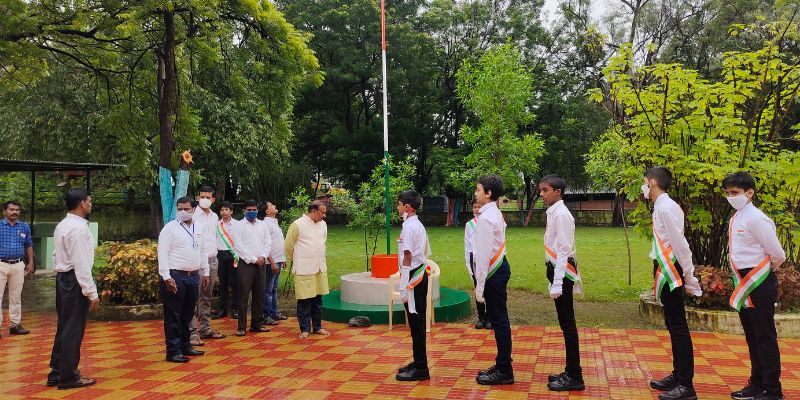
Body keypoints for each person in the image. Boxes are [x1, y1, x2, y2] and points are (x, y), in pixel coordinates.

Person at [722, 172, 785, 400]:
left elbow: (777, 254)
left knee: (764, 338)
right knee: (752, 336)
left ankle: (772, 390)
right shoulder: (736, 217)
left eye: (735, 192)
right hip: (743, 281)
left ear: (749, 193)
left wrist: (762, 272)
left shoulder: (757, 218)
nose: (731, 197)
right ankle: (757, 384)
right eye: (727, 193)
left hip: (759, 280)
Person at [642, 167, 702, 400]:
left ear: (653, 182)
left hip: (672, 268)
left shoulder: (666, 207)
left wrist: (689, 276)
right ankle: (678, 375)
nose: (644, 187)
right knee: (672, 323)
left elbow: (680, 244)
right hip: (665, 267)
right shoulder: (661, 206)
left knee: (678, 326)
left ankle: (686, 385)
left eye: (645, 182)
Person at [47, 189, 99, 389]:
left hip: (64, 278)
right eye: (89, 201)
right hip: (74, 280)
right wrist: (91, 293)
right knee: (73, 329)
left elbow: (55, 255)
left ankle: (57, 371)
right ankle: (68, 377)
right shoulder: (78, 229)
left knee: (65, 326)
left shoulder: (63, 224)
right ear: (81, 203)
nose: (91, 204)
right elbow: (81, 263)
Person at [539, 175, 585, 392]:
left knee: (568, 323)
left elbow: (564, 250)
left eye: (545, 190)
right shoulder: (554, 212)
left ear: (558, 192)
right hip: (557, 270)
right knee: (565, 322)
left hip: (563, 272)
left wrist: (557, 282)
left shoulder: (562, 215)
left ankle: (575, 376)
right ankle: (570, 370)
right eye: (541, 190)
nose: (541, 194)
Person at [157, 196, 210, 363]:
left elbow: (202, 250)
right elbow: (162, 253)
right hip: (175, 276)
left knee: (187, 314)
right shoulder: (170, 228)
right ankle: (173, 351)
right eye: (179, 209)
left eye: (186, 209)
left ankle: (185, 345)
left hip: (193, 276)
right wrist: (166, 277)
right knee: (173, 315)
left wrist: (206, 272)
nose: (183, 212)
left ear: (193, 209)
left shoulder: (198, 227)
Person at [473, 175, 514, 385]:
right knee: (499, 319)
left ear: (488, 193)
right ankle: (502, 364)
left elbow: (482, 255)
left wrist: (479, 287)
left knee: (499, 320)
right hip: (498, 269)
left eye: (478, 190)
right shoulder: (493, 213)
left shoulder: (486, 218)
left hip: (493, 272)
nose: (475, 193)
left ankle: (505, 369)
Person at [395, 190, 432, 382]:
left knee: (416, 324)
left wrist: (403, 285)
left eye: (399, 204)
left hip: (413, 279)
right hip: (418, 275)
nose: (397, 207)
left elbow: (407, 256)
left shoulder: (409, 228)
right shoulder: (416, 224)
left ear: (407, 207)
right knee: (416, 323)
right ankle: (418, 361)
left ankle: (421, 368)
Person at [285, 200, 330, 339]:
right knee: (304, 300)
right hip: (304, 268)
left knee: (318, 299)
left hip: (319, 268)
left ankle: (318, 327)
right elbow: (288, 245)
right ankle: (304, 329)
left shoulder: (323, 224)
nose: (324, 215)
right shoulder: (297, 224)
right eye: (322, 212)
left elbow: (323, 241)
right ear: (313, 211)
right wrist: (294, 259)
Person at [189, 186, 225, 345]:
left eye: (208, 197)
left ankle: (205, 329)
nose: (204, 199)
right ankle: (191, 333)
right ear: (197, 198)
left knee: (206, 297)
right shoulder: (192, 215)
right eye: (202, 196)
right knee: (193, 298)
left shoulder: (214, 216)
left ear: (213, 199)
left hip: (212, 261)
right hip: (197, 261)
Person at [235, 200, 272, 337]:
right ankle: (241, 327)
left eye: (254, 210)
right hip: (246, 264)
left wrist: (263, 256)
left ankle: (257, 324)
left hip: (261, 263)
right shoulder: (238, 226)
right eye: (249, 210)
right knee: (243, 296)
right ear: (244, 211)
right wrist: (253, 259)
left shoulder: (262, 225)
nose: (252, 212)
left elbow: (268, 243)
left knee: (259, 294)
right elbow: (238, 247)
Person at [0, 200, 35, 336]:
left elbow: (28, 245)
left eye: (17, 210)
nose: (14, 212)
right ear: (5, 211)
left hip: (18, 265)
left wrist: (30, 263)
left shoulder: (24, 227)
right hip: (1, 264)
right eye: (11, 209)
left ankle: (15, 325)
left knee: (16, 297)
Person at [464, 197, 489, 330]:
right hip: (475, 262)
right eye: (475, 207)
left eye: (479, 207)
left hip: (488, 261)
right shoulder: (469, 225)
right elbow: (467, 246)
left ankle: (490, 317)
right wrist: (469, 266)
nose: (477, 209)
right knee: (478, 289)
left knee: (489, 289)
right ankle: (481, 317)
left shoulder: (488, 222)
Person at [214, 201, 239, 319]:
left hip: (233, 255)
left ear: (231, 211)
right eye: (222, 210)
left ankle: (235, 309)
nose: (224, 212)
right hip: (220, 255)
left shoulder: (237, 224)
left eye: (226, 209)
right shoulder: (216, 225)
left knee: (234, 283)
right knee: (222, 283)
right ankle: (222, 309)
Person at [263, 202, 288, 324]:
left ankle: (273, 312)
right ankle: (266, 314)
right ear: (267, 211)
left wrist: (282, 258)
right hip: (270, 262)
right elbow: (265, 246)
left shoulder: (274, 222)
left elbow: (278, 242)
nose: (274, 205)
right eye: (271, 205)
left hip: (277, 260)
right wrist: (272, 262)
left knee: (274, 288)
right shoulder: (266, 224)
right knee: (268, 289)